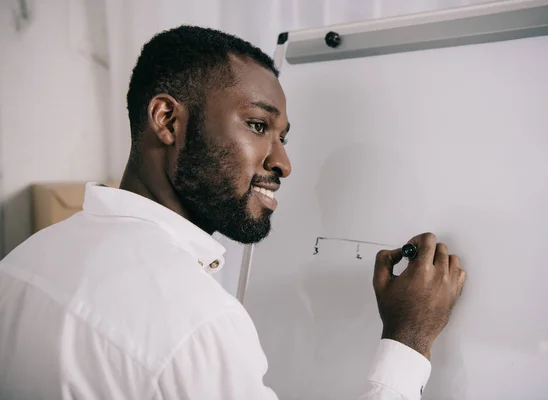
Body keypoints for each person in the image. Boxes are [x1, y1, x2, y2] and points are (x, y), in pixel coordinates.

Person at [0, 26, 466, 399]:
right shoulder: (198, 324)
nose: (283, 163)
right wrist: (408, 340)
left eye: (283, 137)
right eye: (258, 126)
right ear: (167, 120)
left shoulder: (22, 263)